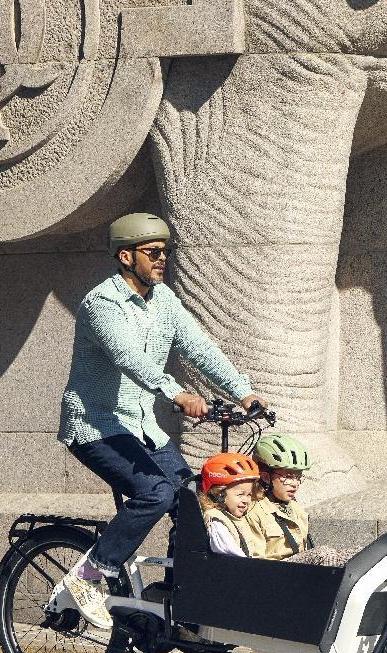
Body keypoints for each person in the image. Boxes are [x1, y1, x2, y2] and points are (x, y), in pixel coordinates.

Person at [49, 213, 267, 629]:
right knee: (156, 494)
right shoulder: (101, 305)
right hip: (96, 426)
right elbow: (129, 358)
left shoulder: (164, 300)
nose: (162, 258)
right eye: (153, 252)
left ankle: (178, 603)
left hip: (144, 426)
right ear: (126, 256)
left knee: (194, 504)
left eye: (166, 251)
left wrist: (243, 391)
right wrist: (176, 393)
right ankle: (90, 575)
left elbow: (199, 348)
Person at [249, 434, 354, 566]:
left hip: (301, 571)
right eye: (288, 476)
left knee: (358, 554)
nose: (295, 483)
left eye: (298, 477)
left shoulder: (294, 507)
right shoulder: (254, 510)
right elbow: (255, 564)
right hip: (276, 572)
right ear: (265, 477)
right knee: (322, 554)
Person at [199, 453, 263, 556]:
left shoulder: (241, 516)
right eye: (240, 494)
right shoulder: (217, 521)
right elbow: (233, 554)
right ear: (219, 493)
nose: (246, 500)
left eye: (249, 494)